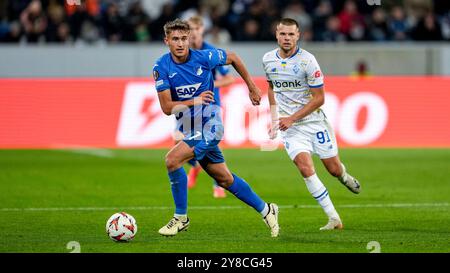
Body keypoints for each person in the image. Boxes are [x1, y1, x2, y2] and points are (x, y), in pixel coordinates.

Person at [153, 19, 279, 237]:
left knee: (172, 160)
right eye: (175, 39)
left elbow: (233, 58)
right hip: (190, 126)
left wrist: (251, 86)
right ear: (167, 41)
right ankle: (267, 209)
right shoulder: (161, 67)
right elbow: (166, 108)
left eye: (184, 38)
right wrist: (196, 99)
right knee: (224, 179)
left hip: (211, 125)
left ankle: (181, 218)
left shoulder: (204, 57)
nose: (181, 43)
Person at [263, 18, 361, 230]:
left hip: (314, 123)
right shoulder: (268, 59)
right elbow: (271, 88)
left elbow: (319, 99)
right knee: (305, 168)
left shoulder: (308, 61)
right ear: (276, 35)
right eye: (283, 34)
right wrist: (274, 118)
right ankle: (334, 218)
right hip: (292, 130)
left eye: (291, 34)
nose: (287, 38)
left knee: (333, 170)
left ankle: (344, 176)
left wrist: (291, 118)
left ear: (298, 36)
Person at [175, 15, 234, 199]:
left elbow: (230, 78)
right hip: (188, 106)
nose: (192, 33)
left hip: (210, 104)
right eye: (189, 30)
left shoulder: (210, 52)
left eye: (195, 29)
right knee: (178, 140)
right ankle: (195, 167)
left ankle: (218, 184)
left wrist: (210, 86)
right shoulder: (182, 53)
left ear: (201, 30)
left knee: (211, 141)